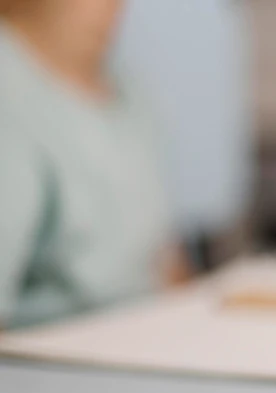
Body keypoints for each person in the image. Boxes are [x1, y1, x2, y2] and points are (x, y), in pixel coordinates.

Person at [0, 0, 184, 329]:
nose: (111, 10)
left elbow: (166, 261)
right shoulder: (11, 95)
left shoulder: (128, 93)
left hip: (146, 331)